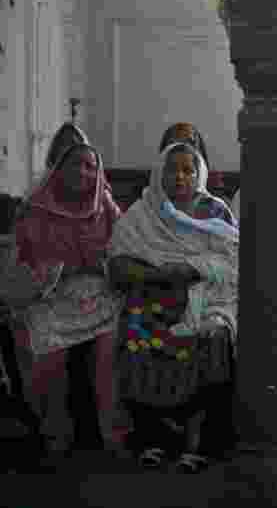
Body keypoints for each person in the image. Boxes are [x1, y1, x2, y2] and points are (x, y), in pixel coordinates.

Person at [107, 141, 238, 472]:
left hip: (209, 297)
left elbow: (234, 262)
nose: (180, 176)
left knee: (214, 336)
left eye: (187, 170)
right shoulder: (143, 213)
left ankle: (200, 443)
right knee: (138, 333)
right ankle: (153, 439)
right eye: (172, 169)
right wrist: (159, 275)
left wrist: (191, 269)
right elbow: (118, 265)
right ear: (159, 173)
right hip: (153, 295)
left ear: (199, 174)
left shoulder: (215, 211)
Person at [12, 143, 123, 457]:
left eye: (91, 166)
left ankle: (112, 433)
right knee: (45, 347)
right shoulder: (35, 208)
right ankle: (54, 433)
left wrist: (101, 266)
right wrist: (64, 268)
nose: (83, 172)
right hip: (51, 294)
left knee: (110, 350)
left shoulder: (107, 206)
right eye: (75, 164)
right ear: (59, 169)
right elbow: (22, 262)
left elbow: (124, 251)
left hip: (100, 294)